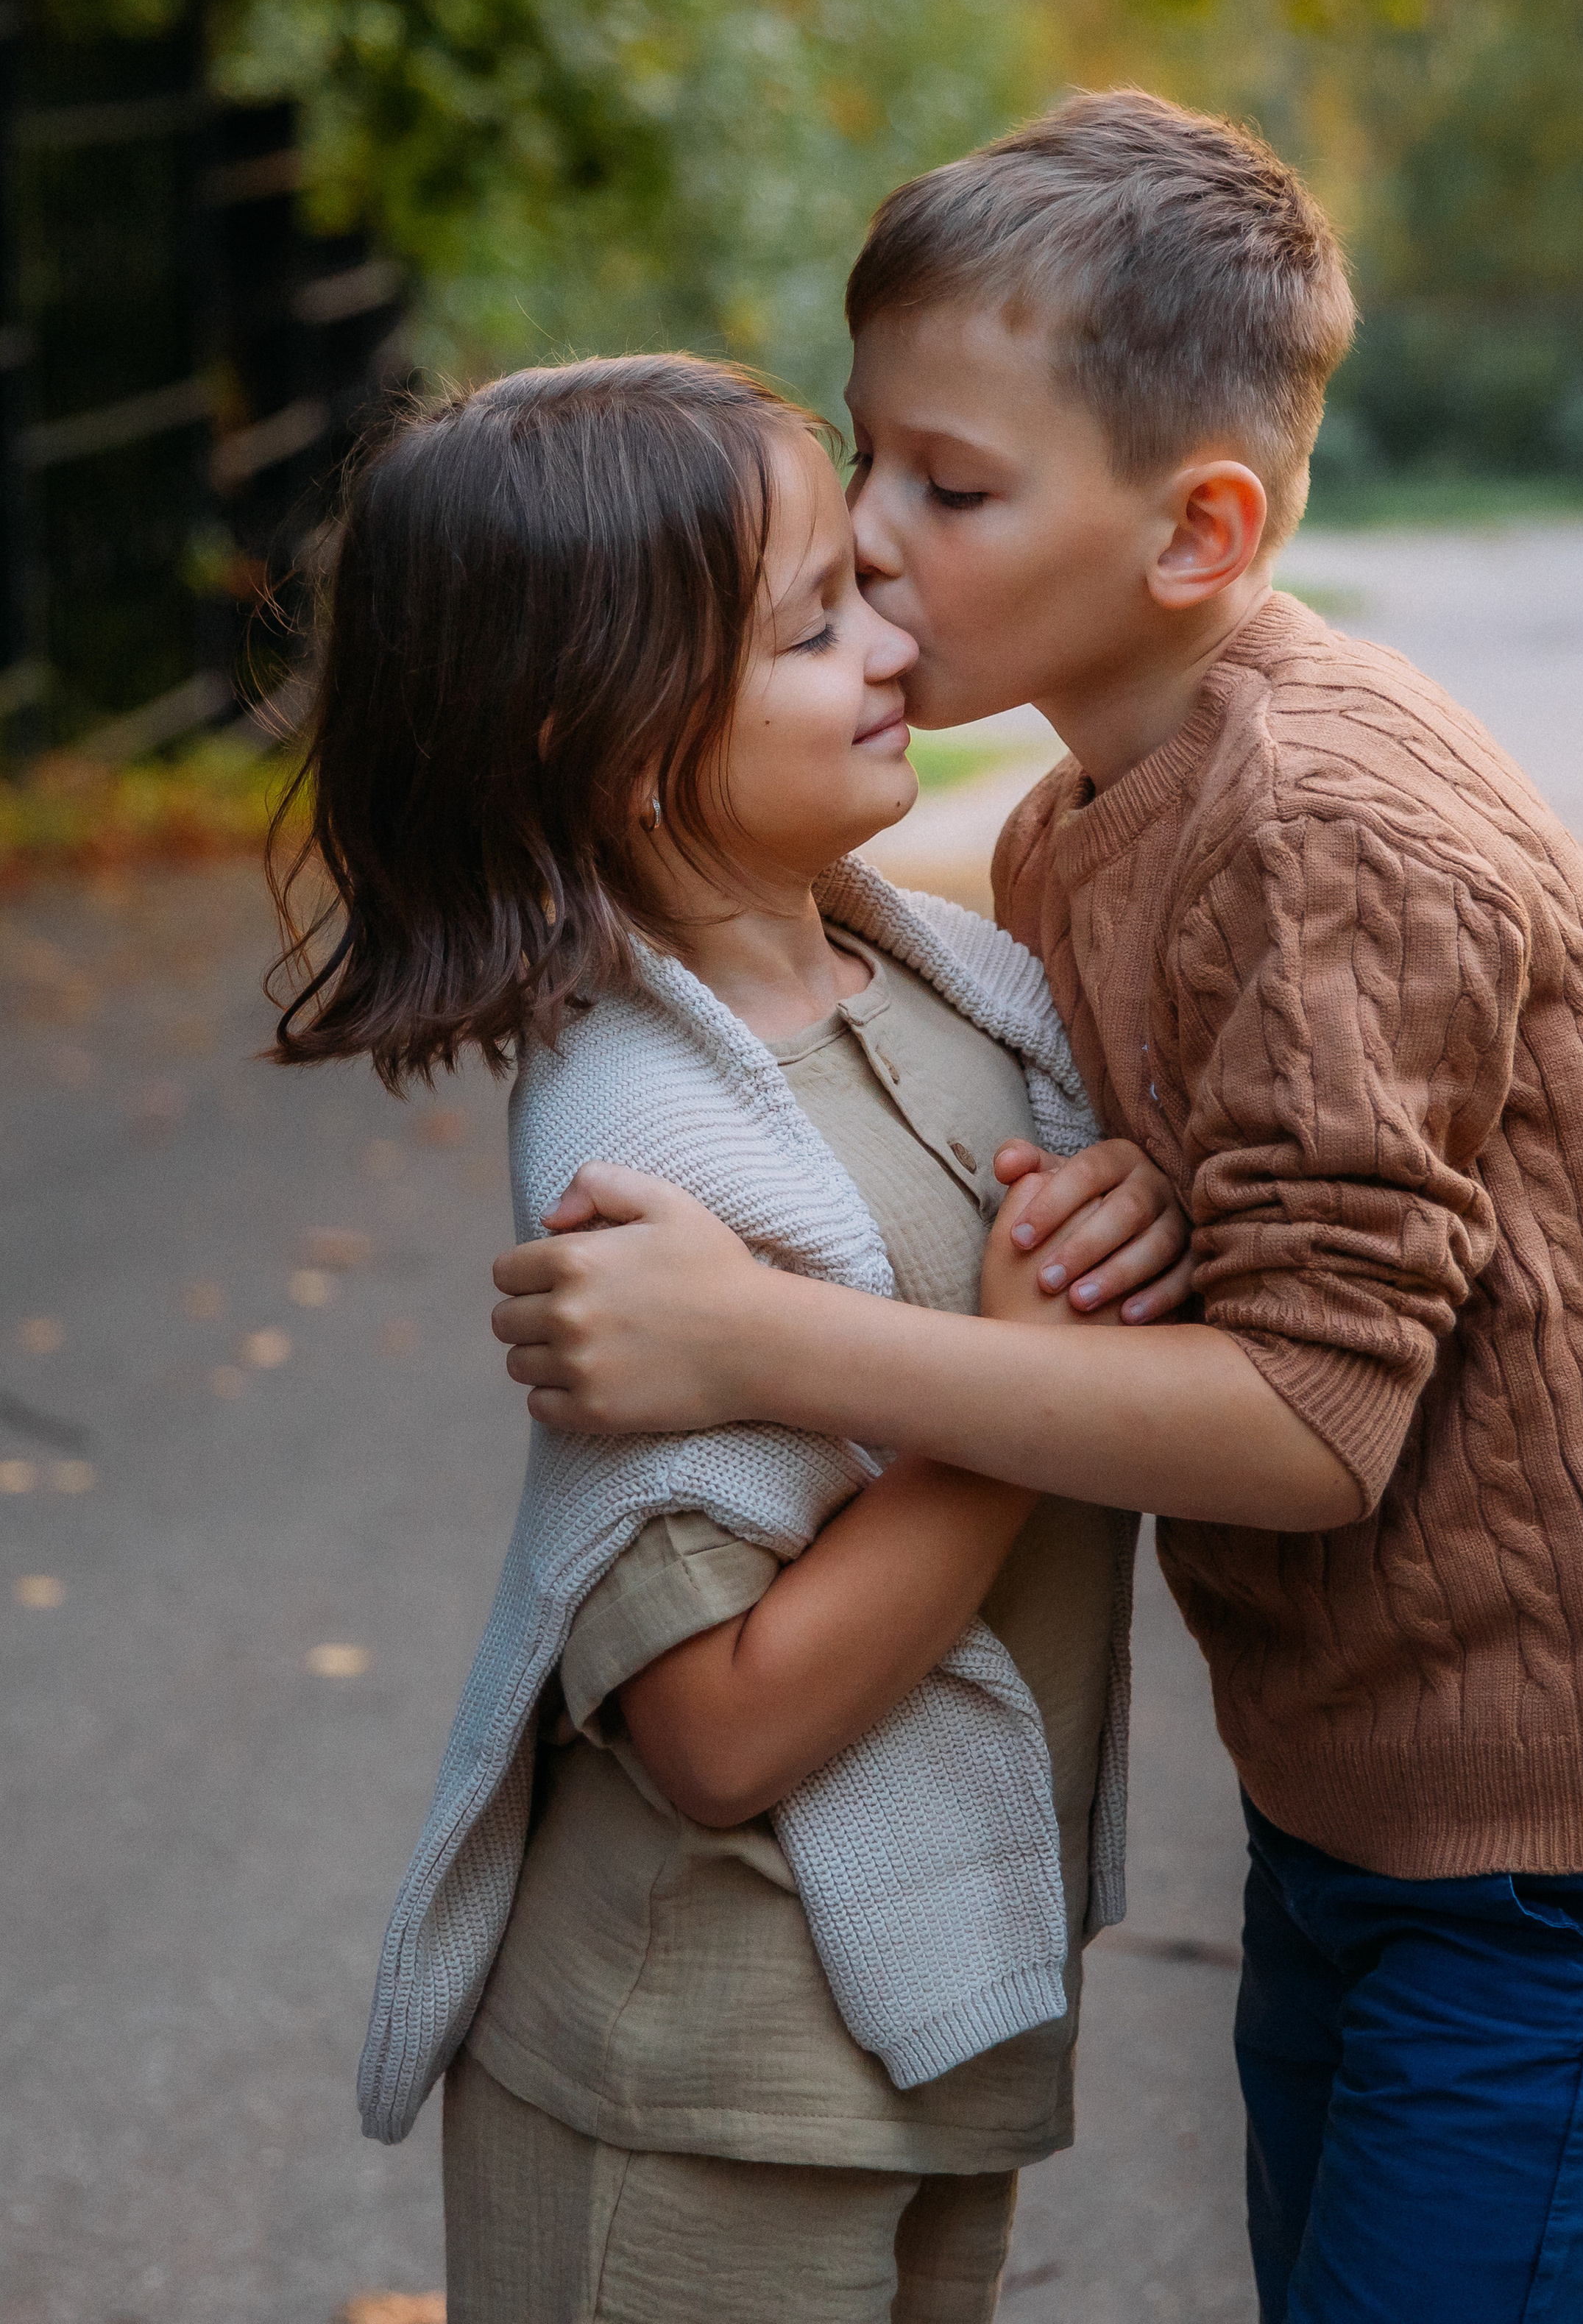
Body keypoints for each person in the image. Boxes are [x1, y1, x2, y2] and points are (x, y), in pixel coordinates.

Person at [491, 94, 1583, 2324]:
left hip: (1572, 1835)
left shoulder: (1328, 835)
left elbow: (1314, 1426)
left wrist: (764, 1346)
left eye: (957, 486)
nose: (874, 543)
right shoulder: (1074, 831)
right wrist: (1125, 1192)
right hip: (1360, 1791)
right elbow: (1256, 1209)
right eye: (870, 457)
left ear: (1196, 532)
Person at [266, 353, 1196, 2324]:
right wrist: (1028, 1404)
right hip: (696, 2071)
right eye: (810, 626)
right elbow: (719, 1728)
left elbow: (1069, 1276)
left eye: (861, 587)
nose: (892, 637)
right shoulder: (651, 1135)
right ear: (605, 741)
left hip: (927, 2031)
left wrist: (1131, 1213)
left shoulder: (950, 996)